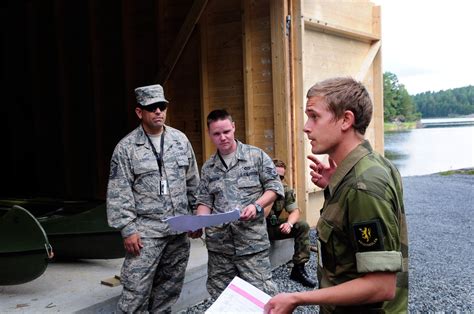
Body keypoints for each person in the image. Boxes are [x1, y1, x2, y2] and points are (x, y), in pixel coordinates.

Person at [264, 77, 408, 313]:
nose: (306, 126)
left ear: (345, 120)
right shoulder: (367, 168)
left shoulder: (363, 185)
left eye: (314, 116)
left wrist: (296, 298)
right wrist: (335, 184)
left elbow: (381, 286)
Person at [106, 84, 200, 313]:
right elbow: (119, 191)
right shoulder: (126, 148)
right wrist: (128, 228)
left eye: (162, 106)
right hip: (145, 234)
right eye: (152, 107)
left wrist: (197, 218)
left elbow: (193, 182)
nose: (158, 111)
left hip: (178, 231)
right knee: (135, 293)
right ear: (140, 112)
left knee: (168, 291)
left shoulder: (180, 140)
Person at [190, 109, 284, 299]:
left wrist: (256, 205)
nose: (223, 137)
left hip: (251, 246)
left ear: (233, 127)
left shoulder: (256, 156)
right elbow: (205, 201)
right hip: (220, 249)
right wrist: (199, 221)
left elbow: (274, 187)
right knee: (223, 299)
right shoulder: (209, 167)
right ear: (210, 134)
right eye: (216, 134)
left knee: (262, 297)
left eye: (226, 131)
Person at [266, 159, 316, 288]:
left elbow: (294, 211)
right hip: (255, 229)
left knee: (302, 226)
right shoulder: (256, 188)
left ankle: (299, 268)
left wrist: (289, 224)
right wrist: (271, 195)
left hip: (271, 227)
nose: (278, 179)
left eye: (281, 177)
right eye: (274, 175)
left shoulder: (284, 189)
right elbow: (260, 215)